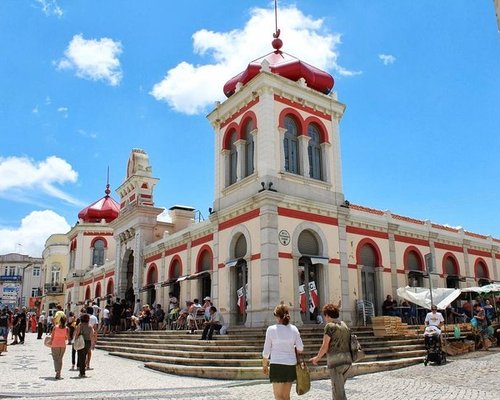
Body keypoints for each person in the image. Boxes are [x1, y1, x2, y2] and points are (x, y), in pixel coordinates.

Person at [262, 304, 304, 400]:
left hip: (277, 364)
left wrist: (264, 365)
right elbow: (300, 348)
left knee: (278, 396)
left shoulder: (271, 329)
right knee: (286, 396)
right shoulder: (294, 329)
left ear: (277, 316)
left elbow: (266, 351)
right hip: (290, 365)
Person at [310, 303, 351, 400]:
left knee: (338, 393)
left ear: (327, 315)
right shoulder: (344, 325)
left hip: (336, 362)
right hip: (347, 361)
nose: (325, 318)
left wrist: (317, 358)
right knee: (339, 390)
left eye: (325, 316)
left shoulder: (329, 326)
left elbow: (325, 346)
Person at [74, 313, 93, 378]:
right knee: (84, 356)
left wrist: (75, 340)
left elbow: (77, 333)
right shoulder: (90, 326)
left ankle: (82, 372)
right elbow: (91, 335)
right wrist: (91, 344)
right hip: (88, 342)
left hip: (81, 341)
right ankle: (83, 371)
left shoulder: (80, 325)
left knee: (81, 357)